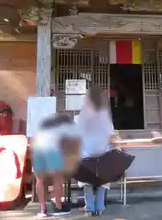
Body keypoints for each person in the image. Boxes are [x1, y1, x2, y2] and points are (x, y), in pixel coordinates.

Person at [31, 114, 82, 217]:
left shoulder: (42, 127)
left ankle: (42, 209)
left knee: (39, 180)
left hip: (38, 151)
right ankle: (58, 205)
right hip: (52, 151)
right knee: (57, 178)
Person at [76, 85, 114, 217]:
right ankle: (100, 208)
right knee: (102, 180)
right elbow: (110, 133)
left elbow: (78, 133)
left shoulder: (84, 114)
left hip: (87, 151)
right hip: (102, 150)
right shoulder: (104, 114)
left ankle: (90, 208)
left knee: (87, 182)